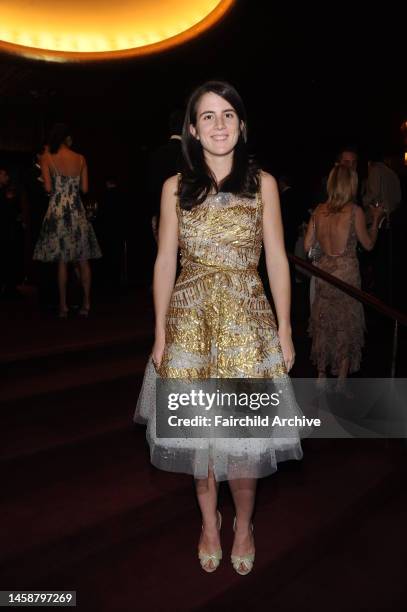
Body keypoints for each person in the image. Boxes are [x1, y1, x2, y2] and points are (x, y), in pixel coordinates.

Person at [134, 81, 307, 576]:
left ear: (242, 125)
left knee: (245, 441)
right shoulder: (174, 187)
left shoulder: (262, 184)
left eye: (227, 114)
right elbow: (165, 261)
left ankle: (245, 525)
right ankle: (210, 523)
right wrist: (160, 333)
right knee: (200, 439)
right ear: (191, 129)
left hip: (247, 323)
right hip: (189, 323)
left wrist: (287, 329)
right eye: (207, 116)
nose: (218, 125)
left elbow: (276, 259)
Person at [304, 165, 385, 386]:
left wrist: (324, 254)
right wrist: (376, 220)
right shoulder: (355, 211)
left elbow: (308, 246)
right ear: (351, 186)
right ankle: (341, 379)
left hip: (324, 274)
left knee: (324, 322)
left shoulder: (319, 210)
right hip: (347, 276)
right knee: (347, 325)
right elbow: (368, 244)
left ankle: (321, 374)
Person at [33, 124, 101, 317]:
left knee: (62, 261)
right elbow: (85, 189)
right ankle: (86, 304)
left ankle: (63, 306)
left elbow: (47, 188)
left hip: (57, 210)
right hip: (76, 210)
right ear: (67, 139)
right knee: (83, 259)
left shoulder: (47, 158)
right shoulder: (80, 158)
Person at [148, 110, 184, 242]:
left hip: (159, 216)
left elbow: (150, 188)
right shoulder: (189, 155)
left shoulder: (156, 154)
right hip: (183, 220)